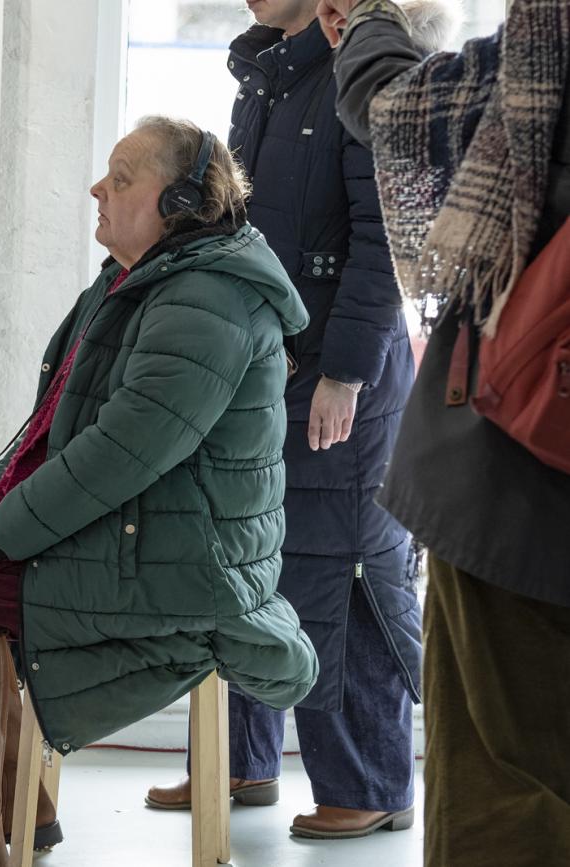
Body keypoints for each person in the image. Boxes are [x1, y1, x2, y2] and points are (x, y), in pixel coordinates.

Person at [0, 115, 319, 867]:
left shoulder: (208, 301)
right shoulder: (140, 283)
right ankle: (14, 812)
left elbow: (117, 456)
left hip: (188, 566)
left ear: (179, 204)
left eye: (123, 177)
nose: (97, 189)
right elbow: (50, 431)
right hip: (145, 536)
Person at [145, 0, 443, 840]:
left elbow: (387, 239)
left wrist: (345, 371)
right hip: (265, 364)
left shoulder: (360, 74)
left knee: (336, 565)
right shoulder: (267, 77)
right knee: (245, 556)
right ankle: (242, 761)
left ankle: (372, 780)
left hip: (338, 373)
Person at [313, 0, 570, 864]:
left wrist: (372, 19)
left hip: (517, 474)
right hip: (511, 481)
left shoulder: (548, 48)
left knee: (501, 790)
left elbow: (396, 112)